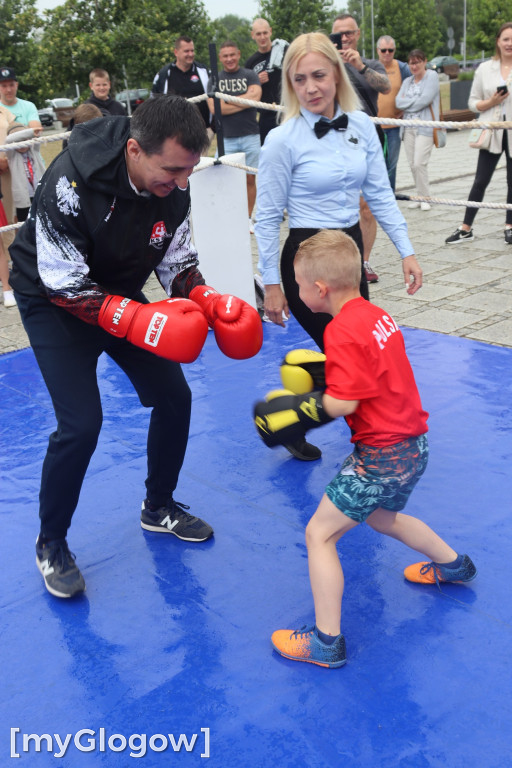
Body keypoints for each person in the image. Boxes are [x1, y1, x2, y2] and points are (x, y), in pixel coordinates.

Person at [9, 94, 262, 599]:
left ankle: (159, 506)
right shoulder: (69, 182)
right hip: (52, 297)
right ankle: (51, 542)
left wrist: (208, 298)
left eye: (188, 170)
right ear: (133, 150)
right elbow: (64, 284)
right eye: (171, 170)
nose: (182, 183)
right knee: (81, 424)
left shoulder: (174, 185)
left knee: (175, 397)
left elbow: (177, 265)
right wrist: (137, 317)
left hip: (119, 288)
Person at [254, 229, 477, 668]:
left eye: (299, 285)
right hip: (414, 445)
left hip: (380, 456)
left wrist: (299, 411)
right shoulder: (376, 315)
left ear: (319, 289)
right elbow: (373, 370)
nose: (298, 293)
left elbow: (344, 402)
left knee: (319, 534)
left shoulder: (339, 332)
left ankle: (325, 642)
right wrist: (330, 371)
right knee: (383, 518)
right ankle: (454, 565)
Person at [331, 14, 391, 284]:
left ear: (358, 34)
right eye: (339, 34)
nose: (344, 38)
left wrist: (360, 66)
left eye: (349, 33)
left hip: (367, 141)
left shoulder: (371, 63)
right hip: (333, 140)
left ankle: (363, 262)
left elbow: (386, 87)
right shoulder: (325, 65)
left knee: (366, 206)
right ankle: (339, 260)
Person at [445, 22, 512, 245]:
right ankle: (466, 227)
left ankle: (510, 226)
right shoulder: (485, 69)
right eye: (506, 39)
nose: (509, 43)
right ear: (498, 41)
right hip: (491, 131)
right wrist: (492, 101)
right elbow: (473, 104)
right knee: (480, 179)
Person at [208, 41, 262, 230]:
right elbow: (214, 108)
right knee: (222, 178)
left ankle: (247, 218)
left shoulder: (249, 75)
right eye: (225, 56)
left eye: (232, 54)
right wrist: (245, 101)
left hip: (250, 135)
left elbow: (256, 97)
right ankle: (226, 216)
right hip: (226, 138)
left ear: (238, 54)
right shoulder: (215, 78)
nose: (229, 59)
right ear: (220, 57)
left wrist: (227, 103)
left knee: (250, 178)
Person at [395, 49, 440, 212]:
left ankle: (425, 197)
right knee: (412, 164)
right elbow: (398, 102)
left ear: (424, 61)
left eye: (418, 62)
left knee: (420, 162)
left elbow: (425, 99)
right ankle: (420, 195)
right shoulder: (407, 81)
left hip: (425, 126)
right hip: (408, 127)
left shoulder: (432, 76)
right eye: (412, 63)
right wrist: (412, 101)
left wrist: (409, 101)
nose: (414, 66)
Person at [152, 36, 211, 132]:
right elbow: (154, 103)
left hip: (202, 131)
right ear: (176, 52)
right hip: (174, 132)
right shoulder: (163, 75)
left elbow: (216, 98)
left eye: (192, 51)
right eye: (186, 51)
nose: (190, 54)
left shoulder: (204, 72)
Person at [245, 18, 288, 144]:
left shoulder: (283, 52)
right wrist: (257, 81)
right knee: (268, 147)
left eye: (265, 33)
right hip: (265, 114)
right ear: (253, 35)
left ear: (270, 32)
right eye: (258, 34)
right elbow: (247, 92)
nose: (262, 37)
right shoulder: (251, 62)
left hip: (287, 110)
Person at [376, 35, 411, 192]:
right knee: (376, 163)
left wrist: (405, 110)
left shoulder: (403, 69)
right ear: (378, 51)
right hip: (374, 126)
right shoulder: (371, 67)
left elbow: (414, 90)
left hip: (394, 126)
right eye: (384, 50)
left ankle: (390, 195)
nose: (387, 53)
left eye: (390, 50)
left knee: (391, 163)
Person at [4, 122, 45, 222]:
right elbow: (8, 140)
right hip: (23, 200)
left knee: (43, 220)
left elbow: (37, 136)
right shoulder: (12, 155)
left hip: (40, 193)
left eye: (24, 140)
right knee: (24, 224)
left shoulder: (34, 149)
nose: (22, 144)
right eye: (18, 141)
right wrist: (30, 131)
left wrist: (31, 134)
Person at [0, 102, 16, 306]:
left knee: (4, 236)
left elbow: (16, 128)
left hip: (6, 169)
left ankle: (7, 287)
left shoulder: (4, 111)